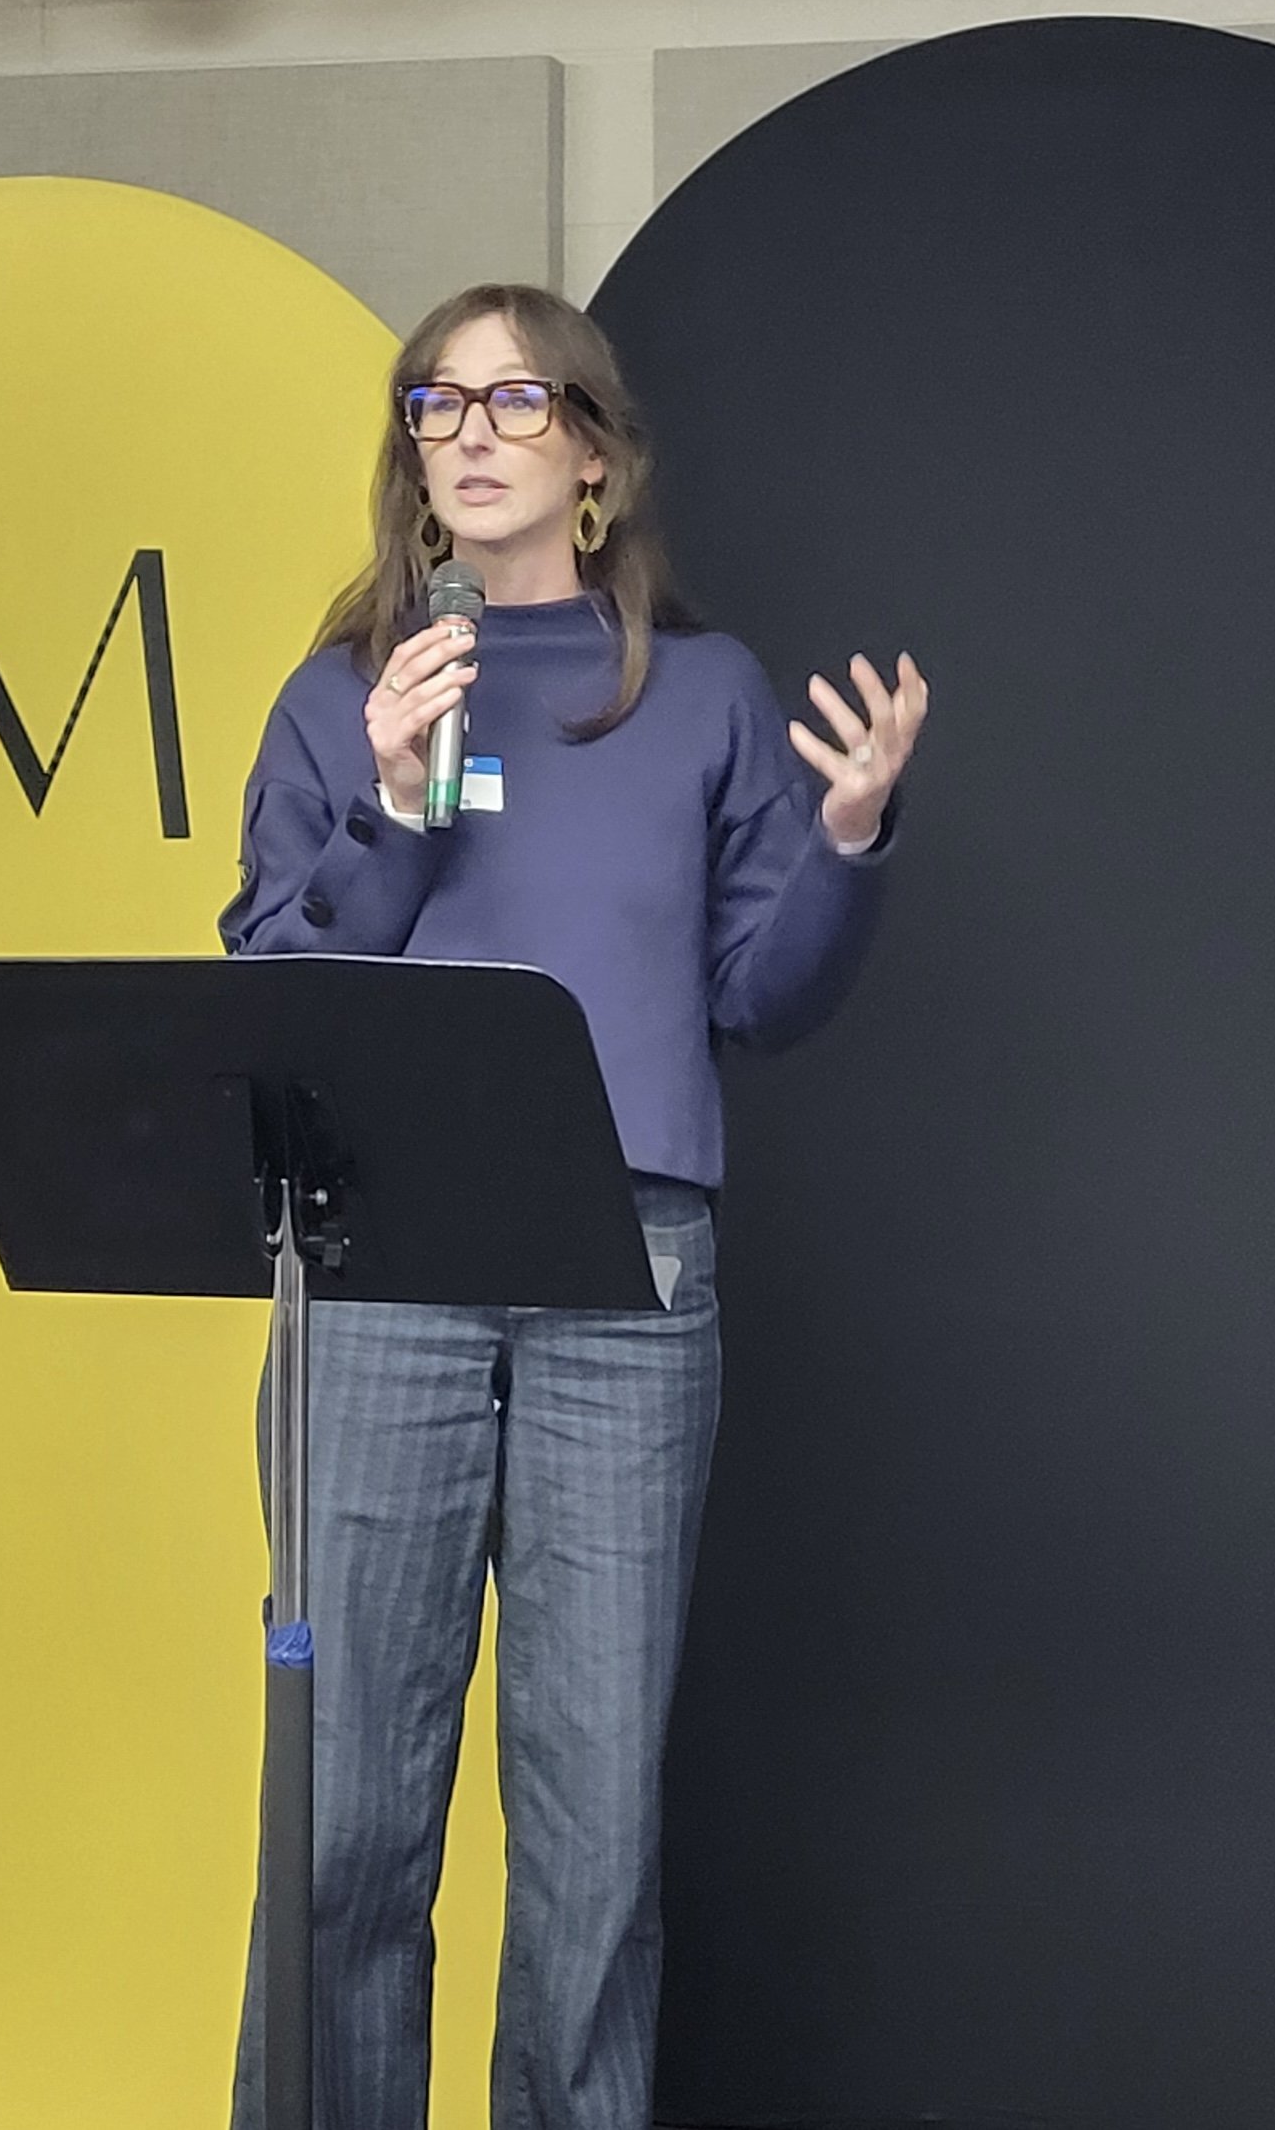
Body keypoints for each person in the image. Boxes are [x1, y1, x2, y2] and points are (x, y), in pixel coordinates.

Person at [222, 282, 926, 2130]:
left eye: (514, 399)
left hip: (631, 1268)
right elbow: (281, 977)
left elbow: (765, 997)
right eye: (432, 403)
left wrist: (848, 842)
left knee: (594, 1826)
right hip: (381, 1263)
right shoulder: (342, 695)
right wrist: (386, 793)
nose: (467, 429)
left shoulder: (699, 690)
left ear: (594, 455)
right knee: (347, 1816)